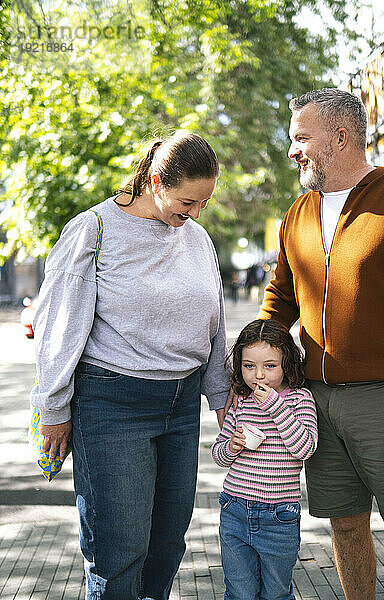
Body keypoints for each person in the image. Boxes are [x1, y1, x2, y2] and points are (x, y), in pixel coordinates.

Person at [31, 131, 231, 600]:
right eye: (188, 200)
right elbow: (59, 326)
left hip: (181, 409)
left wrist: (222, 401)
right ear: (156, 181)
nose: (196, 213)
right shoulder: (94, 229)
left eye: (204, 202)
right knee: (119, 552)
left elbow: (215, 321)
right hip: (112, 406)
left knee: (166, 546)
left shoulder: (196, 238)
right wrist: (54, 408)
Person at [257, 88, 384, 599]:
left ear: (340, 137)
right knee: (344, 524)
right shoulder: (297, 212)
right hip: (314, 399)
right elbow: (280, 297)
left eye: (301, 137)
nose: (292, 149)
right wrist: (252, 363)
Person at [212, 319, 317, 600]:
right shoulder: (242, 401)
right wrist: (231, 446)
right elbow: (219, 454)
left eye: (270, 366)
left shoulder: (299, 400)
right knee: (239, 593)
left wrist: (274, 405)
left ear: (287, 364)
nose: (258, 375)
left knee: (276, 594)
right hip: (235, 509)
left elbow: (304, 448)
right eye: (249, 366)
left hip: (279, 517)